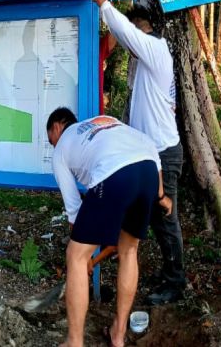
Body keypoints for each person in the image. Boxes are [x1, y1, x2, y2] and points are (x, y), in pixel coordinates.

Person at [46, 108, 170, 347]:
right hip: (148, 170)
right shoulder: (105, 122)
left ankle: (74, 342)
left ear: (57, 127)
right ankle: (118, 334)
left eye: (51, 140)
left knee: (75, 255)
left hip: (114, 173)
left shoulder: (61, 148)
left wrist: (82, 257)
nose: (53, 145)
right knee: (129, 250)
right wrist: (161, 196)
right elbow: (149, 148)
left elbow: (74, 212)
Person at [93, 0, 186, 305]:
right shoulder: (144, 62)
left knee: (166, 218)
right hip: (149, 154)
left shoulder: (155, 50)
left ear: (141, 29)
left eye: (133, 35)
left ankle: (175, 282)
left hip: (164, 153)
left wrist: (103, 4)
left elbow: (125, 33)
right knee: (151, 216)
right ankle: (166, 271)